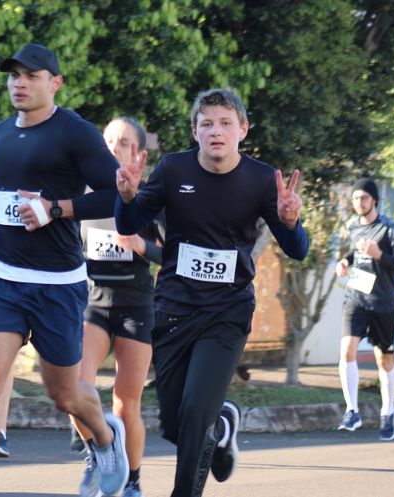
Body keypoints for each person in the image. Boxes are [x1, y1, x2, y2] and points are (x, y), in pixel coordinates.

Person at [0, 43, 129, 497]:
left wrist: (56, 208)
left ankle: (105, 436)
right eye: (14, 75)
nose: (20, 83)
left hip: (58, 283)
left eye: (31, 76)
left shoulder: (75, 133)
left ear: (55, 83)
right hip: (2, 277)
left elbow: (116, 196)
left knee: (64, 394)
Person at [115, 88, 309, 497]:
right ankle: (220, 428)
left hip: (227, 312)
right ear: (195, 131)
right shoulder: (173, 170)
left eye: (225, 123)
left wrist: (292, 223)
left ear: (243, 130)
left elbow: (297, 250)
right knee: (175, 423)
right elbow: (129, 223)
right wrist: (128, 197)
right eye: (206, 124)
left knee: (196, 413)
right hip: (173, 309)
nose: (215, 131)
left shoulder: (261, 180)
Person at [72, 116, 162, 497]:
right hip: (93, 304)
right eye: (109, 141)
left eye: (124, 143)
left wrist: (143, 247)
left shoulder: (150, 198)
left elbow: (171, 254)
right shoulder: (85, 194)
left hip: (136, 306)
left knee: (127, 404)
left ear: (138, 153)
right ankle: (100, 450)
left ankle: (133, 482)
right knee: (74, 390)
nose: (114, 148)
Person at [333, 178, 394, 440]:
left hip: (383, 302)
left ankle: (388, 412)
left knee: (384, 359)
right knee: (347, 349)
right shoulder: (352, 225)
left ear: (374, 200)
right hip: (356, 297)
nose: (359, 203)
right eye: (356, 198)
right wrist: (345, 261)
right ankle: (352, 410)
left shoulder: (390, 229)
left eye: (364, 198)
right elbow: (355, 252)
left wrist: (380, 255)